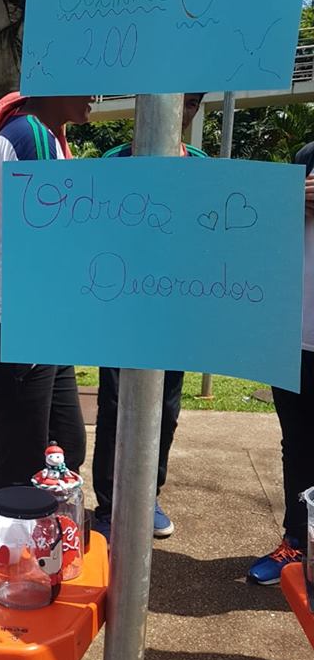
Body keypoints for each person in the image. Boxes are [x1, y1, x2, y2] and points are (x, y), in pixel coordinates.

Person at [0, 94, 94, 491]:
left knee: (66, 447)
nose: (95, 96)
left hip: (32, 327)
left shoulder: (37, 135)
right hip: (15, 326)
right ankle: (13, 532)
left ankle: (45, 527)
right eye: (88, 83)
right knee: (21, 472)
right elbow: (54, 238)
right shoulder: (32, 137)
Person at [91, 93, 207, 540]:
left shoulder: (201, 167)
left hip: (175, 316)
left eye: (193, 103)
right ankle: (109, 505)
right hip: (120, 314)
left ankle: (147, 496)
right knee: (115, 406)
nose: (184, 111)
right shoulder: (115, 162)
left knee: (167, 409)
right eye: (179, 100)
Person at [247, 142, 314, 584]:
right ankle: (298, 541)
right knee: (299, 444)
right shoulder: (306, 156)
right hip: (295, 335)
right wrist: (288, 205)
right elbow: (267, 234)